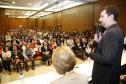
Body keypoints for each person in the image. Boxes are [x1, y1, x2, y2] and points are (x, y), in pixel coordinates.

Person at [85, 5, 124, 84]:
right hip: (111, 76)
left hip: (105, 78)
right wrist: (99, 43)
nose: (99, 19)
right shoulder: (117, 29)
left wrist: (90, 53)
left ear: (111, 16)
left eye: (102, 16)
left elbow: (107, 59)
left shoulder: (111, 33)